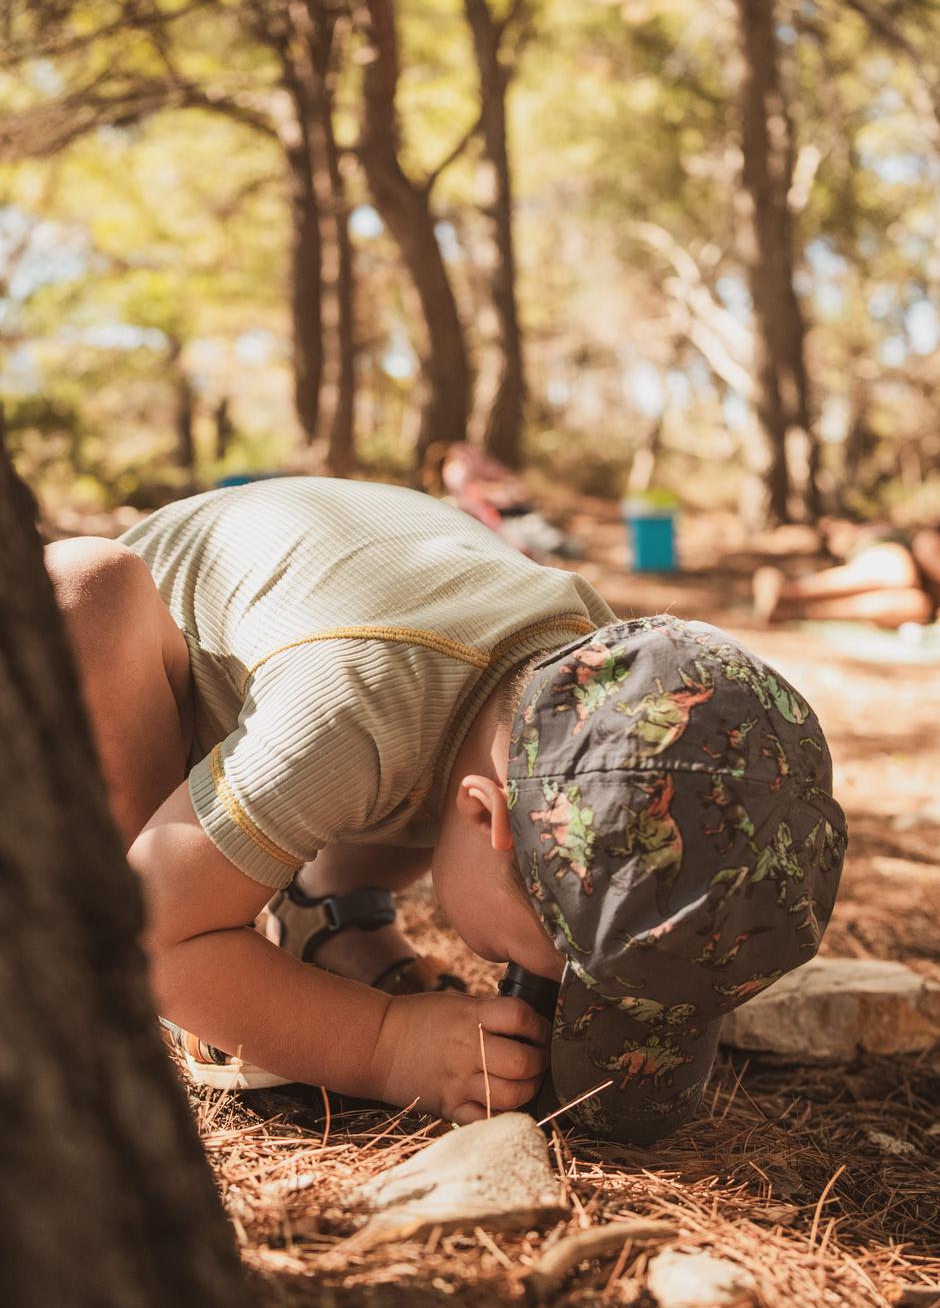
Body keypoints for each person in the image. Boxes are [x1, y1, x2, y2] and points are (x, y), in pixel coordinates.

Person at [46, 477, 846, 1141]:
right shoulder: (350, 706)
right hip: (121, 722)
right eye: (564, 957)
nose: (555, 986)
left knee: (447, 730)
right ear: (483, 816)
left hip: (373, 700)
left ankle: (335, 916)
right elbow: (157, 934)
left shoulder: (597, 674)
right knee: (88, 589)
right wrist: (385, 1047)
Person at [753, 521, 940, 629]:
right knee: (900, 571)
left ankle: (795, 612)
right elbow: (926, 544)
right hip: (895, 555)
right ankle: (789, 590)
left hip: (922, 596)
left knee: (916, 606)